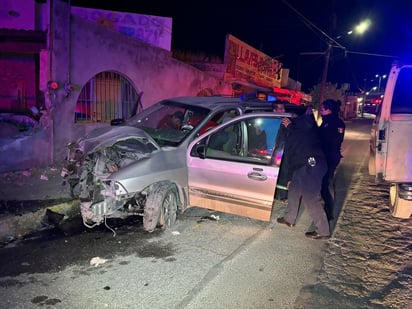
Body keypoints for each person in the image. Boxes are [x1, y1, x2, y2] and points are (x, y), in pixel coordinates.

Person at [276, 106, 330, 240]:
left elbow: (301, 136)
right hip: (302, 165)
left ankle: (323, 231)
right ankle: (289, 218)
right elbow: (290, 156)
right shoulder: (296, 128)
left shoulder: (303, 124)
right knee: (294, 190)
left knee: (310, 198)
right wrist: (290, 177)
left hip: (311, 165)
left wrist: (290, 127)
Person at [319, 99, 345, 221]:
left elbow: (333, 141)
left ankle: (328, 213)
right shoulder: (326, 121)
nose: (320, 111)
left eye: (322, 109)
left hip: (330, 156)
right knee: (324, 183)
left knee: (326, 184)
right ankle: (326, 209)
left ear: (329, 110)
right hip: (327, 156)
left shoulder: (335, 123)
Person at [272, 101, 290, 200]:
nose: (283, 111)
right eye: (280, 109)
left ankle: (282, 195)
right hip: (270, 152)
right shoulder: (269, 121)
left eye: (283, 108)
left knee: (283, 175)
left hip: (283, 153)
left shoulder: (286, 122)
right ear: (274, 110)